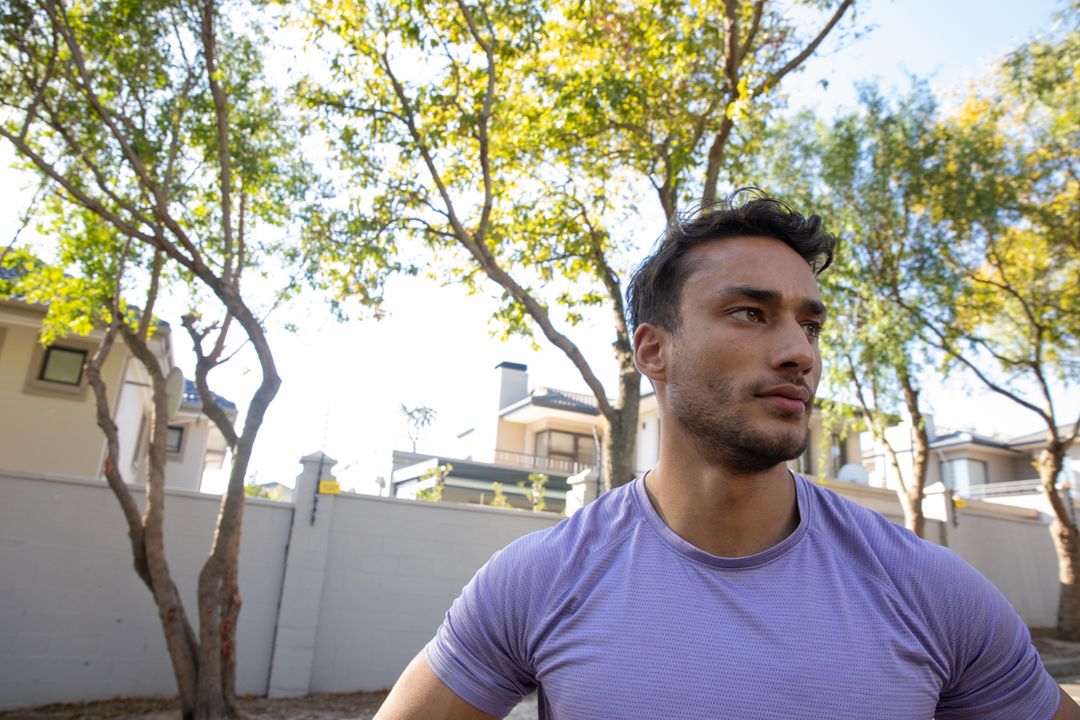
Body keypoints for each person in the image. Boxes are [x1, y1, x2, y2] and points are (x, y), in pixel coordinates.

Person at [374, 190, 1080, 720]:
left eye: (810, 325)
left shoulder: (932, 591)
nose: (800, 353)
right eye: (750, 313)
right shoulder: (539, 581)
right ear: (654, 350)